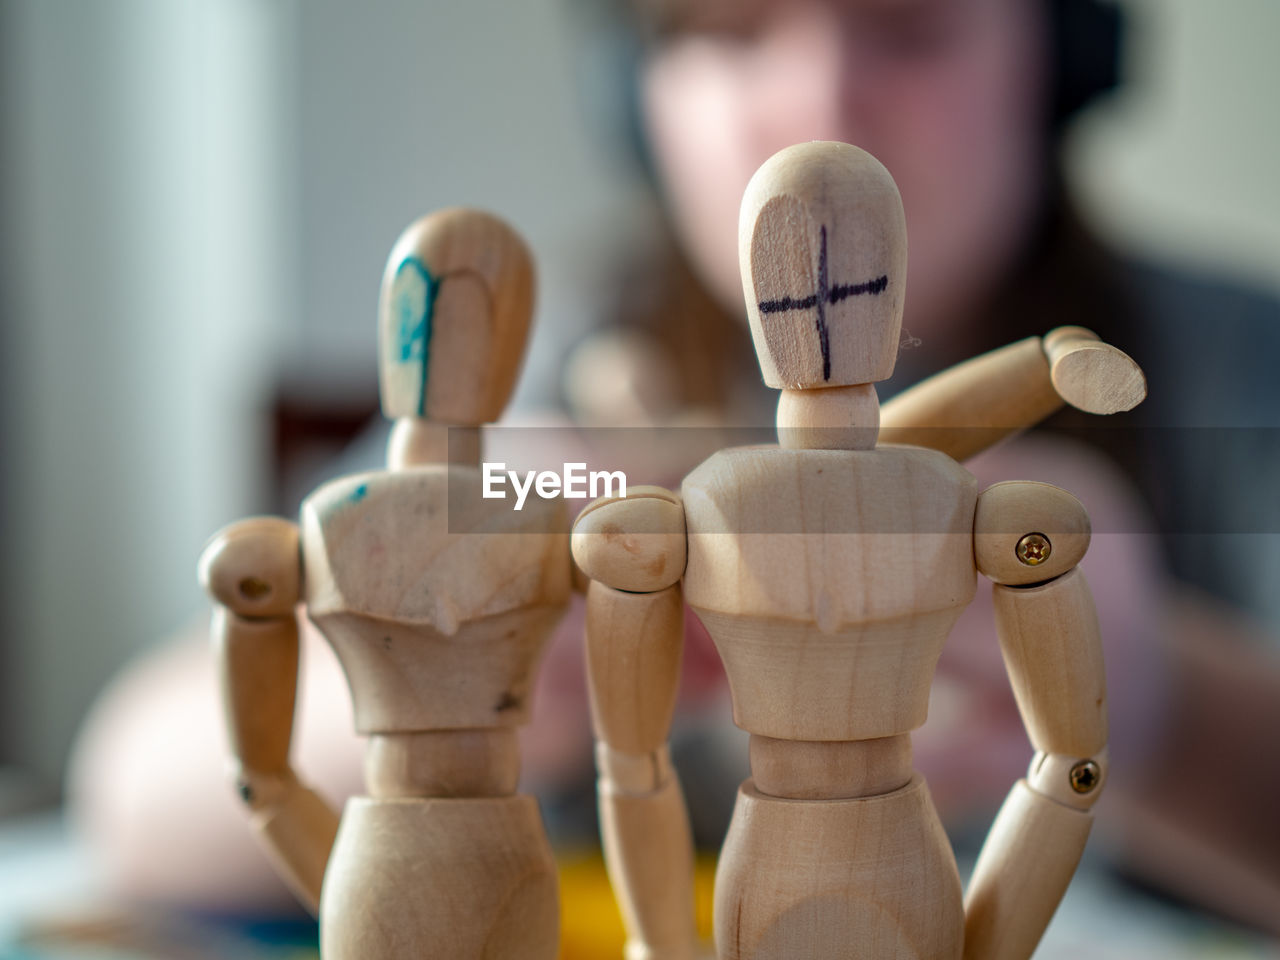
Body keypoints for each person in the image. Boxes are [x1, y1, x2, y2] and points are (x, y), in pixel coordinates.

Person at [70, 0, 1280, 940]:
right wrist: (433, 670)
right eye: (730, 30)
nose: (819, 103)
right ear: (630, 91)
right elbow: (133, 788)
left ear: (1058, 58)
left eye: (910, 27)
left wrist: (1162, 699)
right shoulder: (539, 390)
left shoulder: (1236, 367)